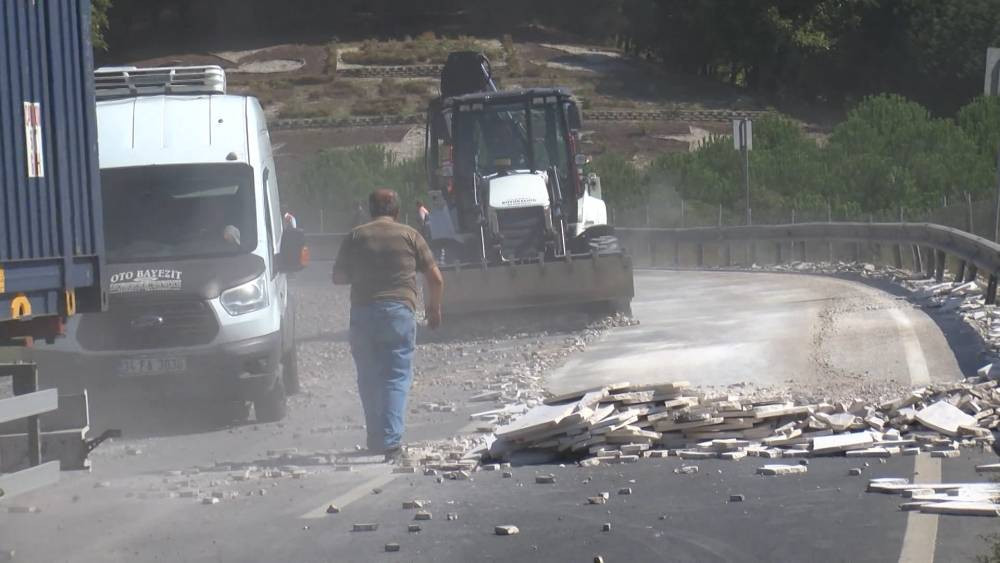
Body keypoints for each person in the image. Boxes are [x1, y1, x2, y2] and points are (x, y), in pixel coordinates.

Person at [332, 189, 444, 463]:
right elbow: (436, 279)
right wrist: (433, 309)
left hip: (363, 313)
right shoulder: (411, 235)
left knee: (369, 377)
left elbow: (337, 277)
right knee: (396, 376)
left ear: (371, 210)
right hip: (399, 313)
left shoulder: (356, 236)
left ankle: (374, 439)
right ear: (396, 210)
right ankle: (391, 443)